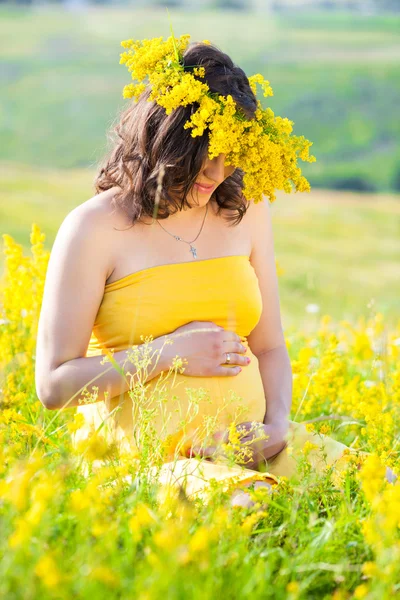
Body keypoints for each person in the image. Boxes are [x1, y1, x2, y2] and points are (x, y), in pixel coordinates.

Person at [34, 36, 365, 508]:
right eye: (203, 152)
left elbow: (269, 346)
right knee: (248, 509)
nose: (217, 170)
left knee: (376, 487)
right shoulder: (94, 227)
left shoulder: (246, 211)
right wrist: (169, 352)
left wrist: (274, 429)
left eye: (232, 152)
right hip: (150, 462)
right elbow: (54, 386)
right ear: (164, 137)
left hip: (249, 449)